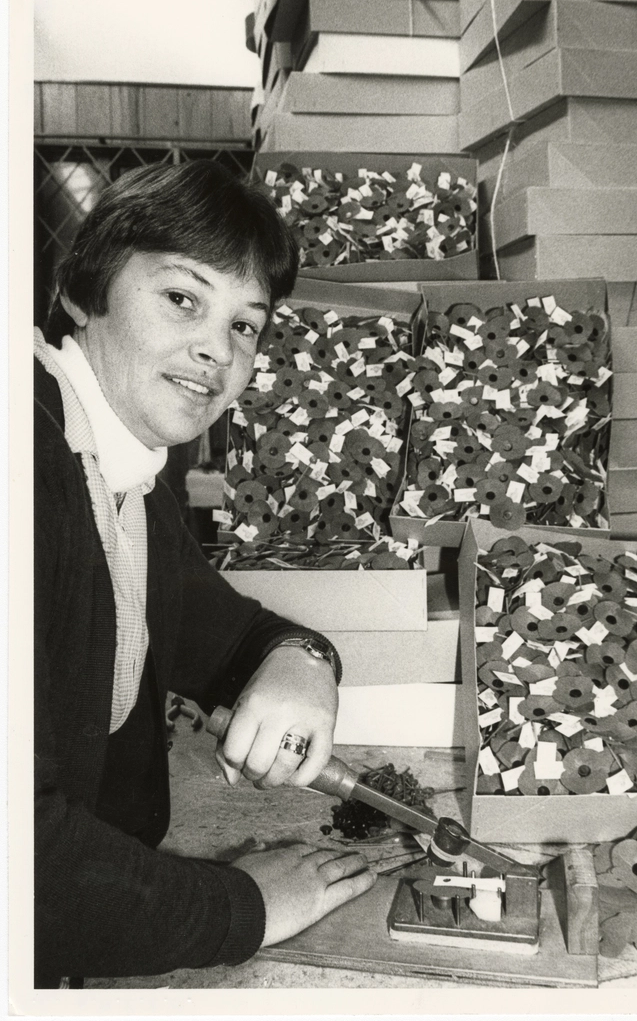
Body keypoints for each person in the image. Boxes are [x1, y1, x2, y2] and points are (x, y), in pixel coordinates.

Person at [34, 160, 376, 987]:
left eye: (245, 326)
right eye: (183, 298)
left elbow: (215, 628)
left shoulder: (121, 467)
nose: (214, 350)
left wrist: (303, 660)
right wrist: (243, 907)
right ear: (85, 291)